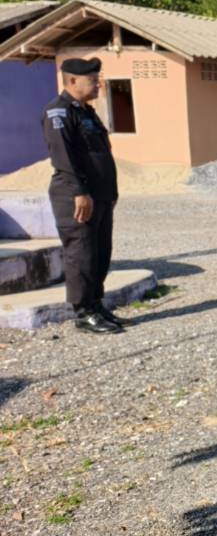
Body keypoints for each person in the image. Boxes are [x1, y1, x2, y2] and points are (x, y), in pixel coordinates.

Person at [42, 58, 122, 334]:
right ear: (73, 80)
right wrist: (80, 191)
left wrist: (110, 194)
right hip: (76, 196)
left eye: (98, 79)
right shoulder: (59, 112)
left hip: (99, 195)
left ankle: (96, 305)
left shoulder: (86, 112)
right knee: (82, 255)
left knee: (100, 253)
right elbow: (64, 158)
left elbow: (100, 155)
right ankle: (83, 312)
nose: (98, 84)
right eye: (93, 80)